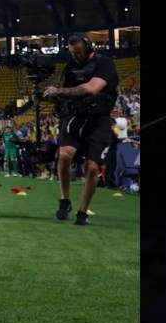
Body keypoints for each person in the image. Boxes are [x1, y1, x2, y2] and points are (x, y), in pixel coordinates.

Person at [44, 33, 118, 226]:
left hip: (99, 120)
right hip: (76, 116)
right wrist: (55, 97)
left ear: (87, 47)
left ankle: (82, 211)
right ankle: (64, 200)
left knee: (92, 168)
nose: (75, 56)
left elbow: (93, 88)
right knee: (65, 155)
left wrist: (59, 91)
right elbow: (67, 93)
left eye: (78, 52)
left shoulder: (105, 63)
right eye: (72, 53)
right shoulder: (71, 67)